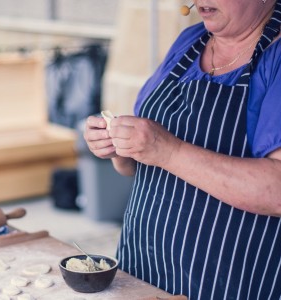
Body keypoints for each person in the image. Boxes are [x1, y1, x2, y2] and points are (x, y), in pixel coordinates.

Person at [84, 0, 281, 299]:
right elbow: (139, 166)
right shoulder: (189, 41)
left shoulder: (275, 58)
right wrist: (119, 148)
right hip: (143, 270)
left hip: (228, 285)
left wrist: (167, 150)